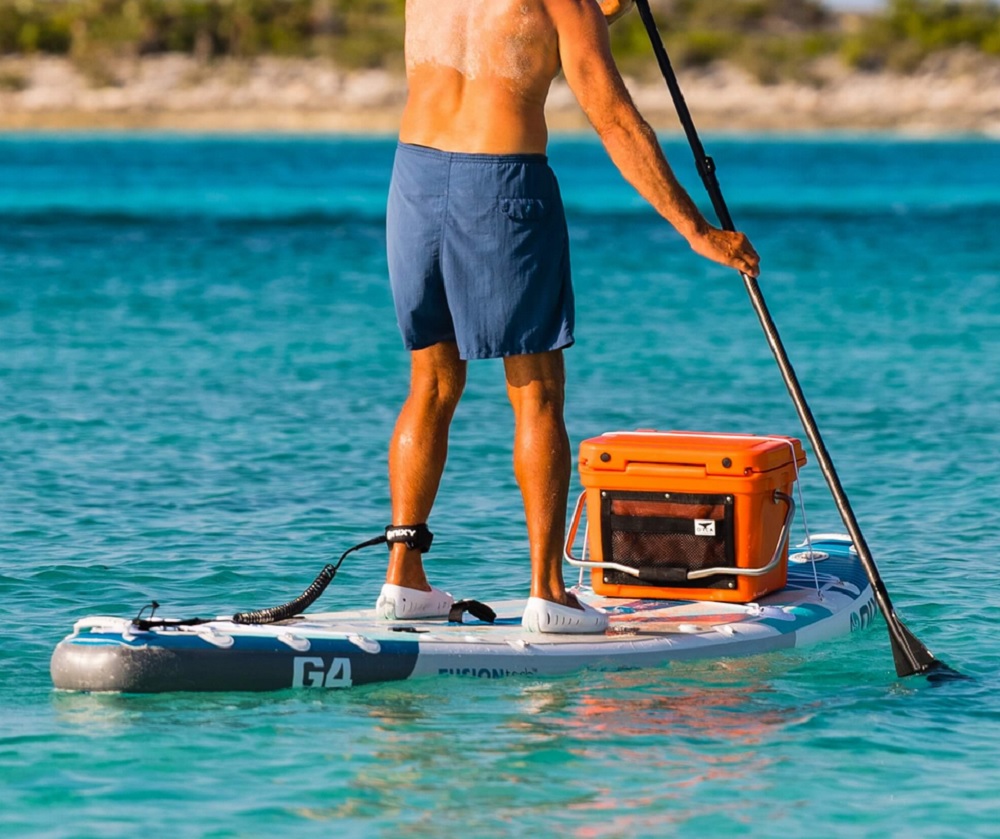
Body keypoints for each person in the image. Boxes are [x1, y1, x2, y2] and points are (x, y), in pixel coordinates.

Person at [377, 0, 761, 632]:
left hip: (415, 180)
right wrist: (696, 229)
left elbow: (509, 38)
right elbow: (612, 116)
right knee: (537, 396)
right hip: (500, 183)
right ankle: (548, 593)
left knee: (432, 385)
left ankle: (402, 578)